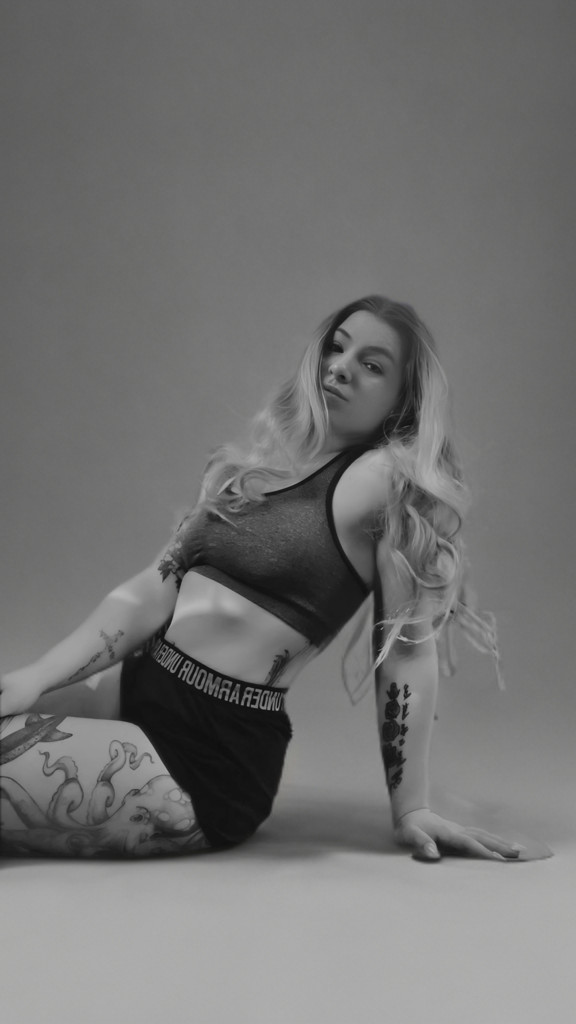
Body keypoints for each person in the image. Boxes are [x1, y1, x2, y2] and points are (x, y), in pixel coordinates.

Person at [0, 294, 521, 861]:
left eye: (373, 365)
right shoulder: (254, 472)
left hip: (200, 757)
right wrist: (37, 675)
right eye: (337, 348)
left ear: (403, 402)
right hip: (133, 691)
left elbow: (405, 651)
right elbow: (150, 590)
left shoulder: (382, 480)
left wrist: (411, 807)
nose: (341, 367)